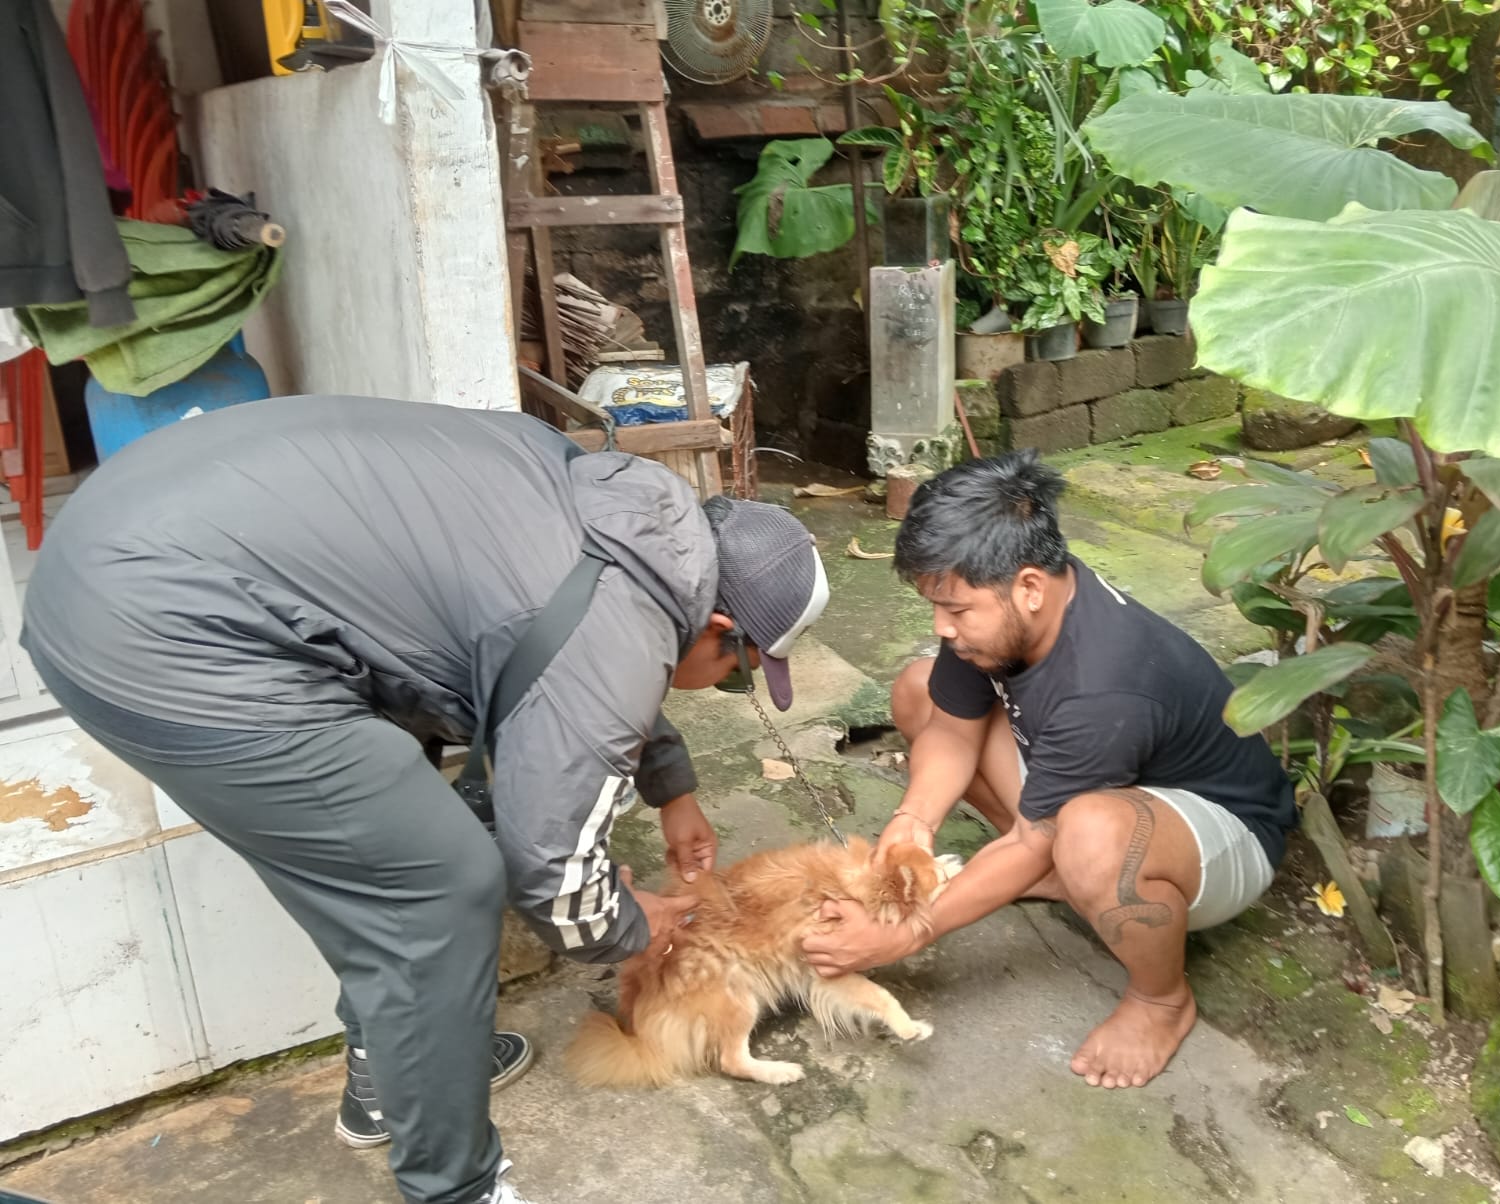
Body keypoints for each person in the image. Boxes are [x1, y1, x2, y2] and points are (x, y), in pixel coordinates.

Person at [20, 394, 831, 1204]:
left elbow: (565, 652)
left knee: (392, 840)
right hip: (160, 629)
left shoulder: (622, 517)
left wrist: (671, 787)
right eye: (740, 670)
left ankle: (399, 1071)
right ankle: (456, 1189)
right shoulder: (621, 618)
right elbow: (553, 870)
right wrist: (631, 929)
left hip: (134, 538)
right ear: (719, 621)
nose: (725, 684)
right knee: (435, 887)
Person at [801, 450, 1294, 1090]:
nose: (940, 626)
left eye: (955, 608)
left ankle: (1161, 999)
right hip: (1107, 790)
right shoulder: (1016, 606)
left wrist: (906, 936)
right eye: (934, 606)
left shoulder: (1103, 686)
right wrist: (913, 820)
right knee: (921, 689)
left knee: (1086, 832)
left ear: (1029, 587)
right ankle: (1072, 879)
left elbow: (1041, 836)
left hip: (1226, 836)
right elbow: (951, 726)